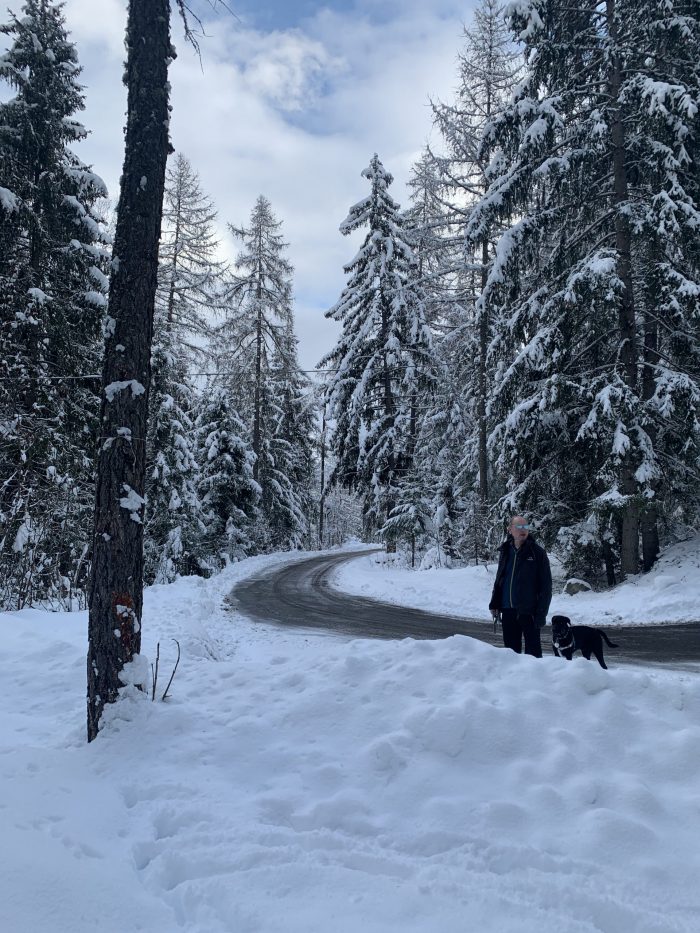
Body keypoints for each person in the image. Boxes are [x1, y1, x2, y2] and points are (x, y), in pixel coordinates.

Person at [489, 515, 552, 657]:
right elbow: (500, 579)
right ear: (510, 529)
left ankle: (534, 679)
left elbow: (546, 587)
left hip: (529, 612)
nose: (523, 530)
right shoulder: (505, 551)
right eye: (519, 527)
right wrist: (495, 603)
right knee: (510, 654)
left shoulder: (537, 553)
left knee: (533, 654)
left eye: (525, 527)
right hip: (507, 611)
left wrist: (541, 614)